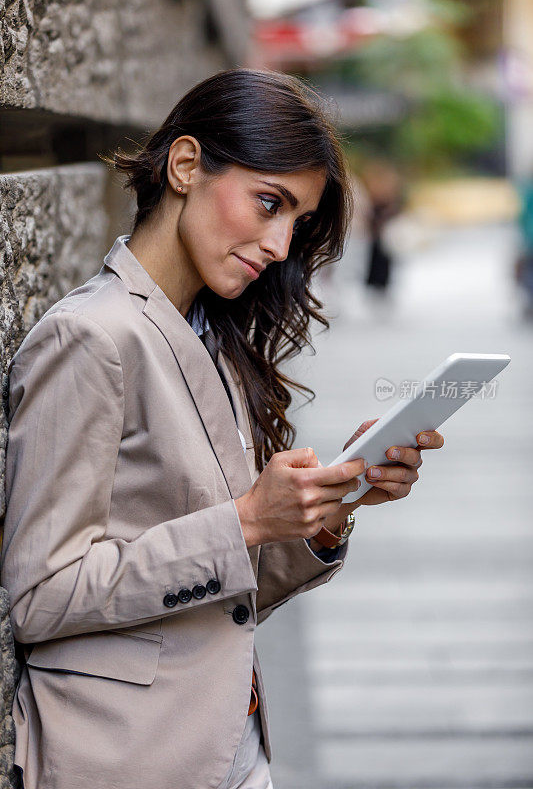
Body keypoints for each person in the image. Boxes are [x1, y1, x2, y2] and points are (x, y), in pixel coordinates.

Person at [1, 68, 443, 789]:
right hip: (124, 760)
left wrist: (326, 512)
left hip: (226, 750)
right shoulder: (90, 339)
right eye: (269, 203)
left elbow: (222, 593)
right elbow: (42, 596)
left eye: (296, 222)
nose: (277, 244)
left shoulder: (210, 334)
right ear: (184, 166)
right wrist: (241, 520)